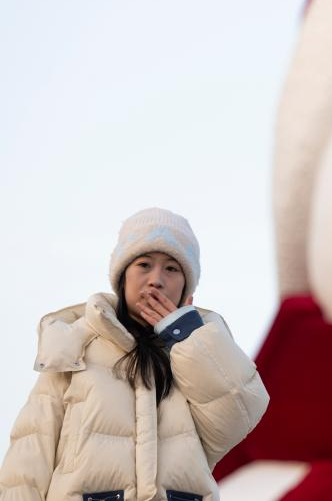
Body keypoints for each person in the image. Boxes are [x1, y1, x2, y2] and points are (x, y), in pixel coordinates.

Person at [0, 207, 270, 501]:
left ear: (186, 289)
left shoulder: (202, 351)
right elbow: (27, 464)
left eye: (171, 268)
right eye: (144, 264)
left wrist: (186, 337)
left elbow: (239, 416)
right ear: (122, 278)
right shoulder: (75, 345)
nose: (156, 279)